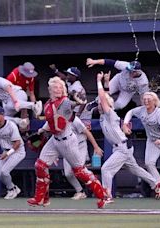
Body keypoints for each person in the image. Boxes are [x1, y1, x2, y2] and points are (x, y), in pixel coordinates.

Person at [27, 76, 107, 209]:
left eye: (60, 87)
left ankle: (101, 195)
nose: (58, 89)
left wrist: (79, 101)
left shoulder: (65, 102)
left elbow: (74, 104)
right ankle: (41, 198)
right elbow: (50, 121)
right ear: (50, 89)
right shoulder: (48, 104)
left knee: (79, 171)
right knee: (40, 165)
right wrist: (41, 131)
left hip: (67, 140)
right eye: (55, 87)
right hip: (54, 139)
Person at [95, 72, 160, 200]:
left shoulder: (110, 113)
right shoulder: (103, 115)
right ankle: (156, 183)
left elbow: (104, 99)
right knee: (135, 169)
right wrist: (106, 82)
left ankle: (107, 195)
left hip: (122, 147)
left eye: (101, 104)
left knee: (106, 169)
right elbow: (106, 96)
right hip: (121, 146)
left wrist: (99, 82)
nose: (100, 104)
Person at [0, 106, 26, 200]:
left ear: (3, 115)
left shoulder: (11, 125)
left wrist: (8, 154)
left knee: (4, 172)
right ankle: (13, 188)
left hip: (18, 151)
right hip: (6, 151)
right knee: (0, 174)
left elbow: (17, 143)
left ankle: (12, 190)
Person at [63, 116, 103, 200]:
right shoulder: (57, 120)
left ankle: (98, 186)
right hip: (67, 147)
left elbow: (88, 133)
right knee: (68, 173)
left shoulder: (74, 120)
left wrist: (96, 147)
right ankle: (80, 191)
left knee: (79, 171)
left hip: (80, 146)